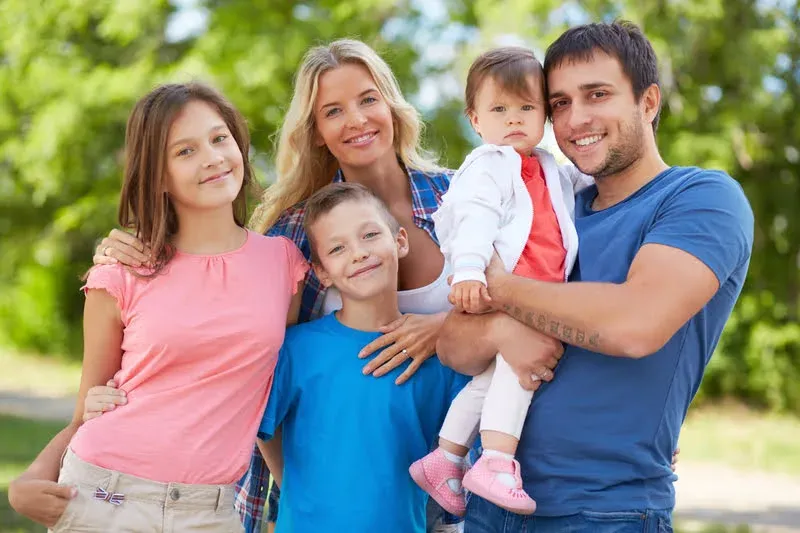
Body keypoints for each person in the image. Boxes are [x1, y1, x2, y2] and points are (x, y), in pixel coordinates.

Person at [85, 39, 521, 533]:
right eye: (333, 111)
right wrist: (131, 247)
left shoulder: (463, 197)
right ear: (315, 132)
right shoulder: (292, 236)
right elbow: (241, 346)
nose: (356, 120)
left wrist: (442, 328)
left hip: (459, 473)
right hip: (329, 493)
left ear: (392, 106)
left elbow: (528, 301)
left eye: (367, 99)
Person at [437, 21, 754, 532]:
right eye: (559, 102)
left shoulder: (700, 199)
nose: (575, 118)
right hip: (491, 503)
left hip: (606, 511)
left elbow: (634, 326)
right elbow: (453, 345)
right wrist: (497, 328)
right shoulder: (549, 207)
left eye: (597, 94)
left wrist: (501, 289)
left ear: (648, 102)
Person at [7, 83, 307, 531]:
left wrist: (298, 498)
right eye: (185, 151)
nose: (212, 157)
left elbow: (274, 395)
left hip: (211, 511)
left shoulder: (284, 263)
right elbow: (86, 411)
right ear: (159, 176)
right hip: (105, 497)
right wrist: (28, 480)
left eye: (219, 138)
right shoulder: (122, 272)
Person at [409, 47, 590, 516]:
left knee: (490, 381)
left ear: (545, 116)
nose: (514, 119)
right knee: (518, 370)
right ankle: (496, 460)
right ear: (475, 119)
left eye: (527, 108)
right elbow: (474, 217)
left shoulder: (545, 165)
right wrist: (469, 269)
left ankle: (445, 457)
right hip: (504, 285)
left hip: (535, 289)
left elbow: (578, 183)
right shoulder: (487, 164)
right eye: (499, 109)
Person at [252, 182, 468, 532]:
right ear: (321, 271)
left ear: (399, 241)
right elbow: (264, 431)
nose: (358, 253)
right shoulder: (296, 349)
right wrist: (294, 489)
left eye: (369, 235)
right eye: (338, 248)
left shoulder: (438, 358)